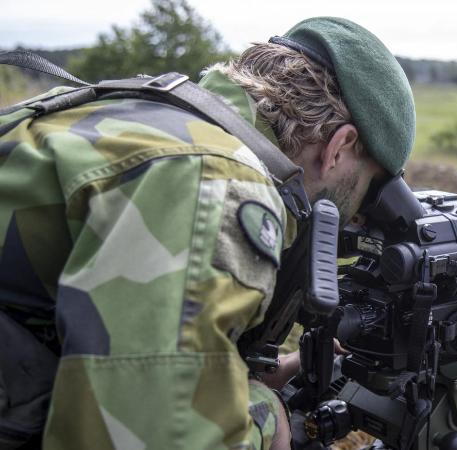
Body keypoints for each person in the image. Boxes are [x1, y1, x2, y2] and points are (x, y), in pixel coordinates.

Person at [0, 17, 415, 450]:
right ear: (339, 147)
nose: (357, 220)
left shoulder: (131, 109)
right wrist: (264, 416)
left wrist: (224, 379)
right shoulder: (217, 183)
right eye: (368, 196)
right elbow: (147, 437)